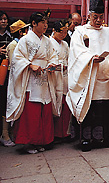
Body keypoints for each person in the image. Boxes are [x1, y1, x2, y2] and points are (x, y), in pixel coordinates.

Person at [66, 0, 109, 152]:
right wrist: (90, 58)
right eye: (95, 17)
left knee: (105, 109)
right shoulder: (80, 31)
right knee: (89, 110)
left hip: (106, 75)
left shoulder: (108, 32)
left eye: (101, 17)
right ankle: (86, 138)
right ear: (88, 16)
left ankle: (106, 137)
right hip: (89, 77)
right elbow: (77, 52)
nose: (98, 20)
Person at [6, 10, 60, 154]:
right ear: (34, 23)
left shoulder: (47, 40)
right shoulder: (25, 40)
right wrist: (30, 65)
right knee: (32, 111)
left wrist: (53, 64)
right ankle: (30, 143)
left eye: (46, 23)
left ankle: (42, 140)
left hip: (45, 76)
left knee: (44, 110)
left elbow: (53, 56)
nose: (45, 25)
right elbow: (17, 58)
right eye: (43, 22)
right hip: (30, 78)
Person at [50, 19, 71, 142]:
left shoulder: (65, 45)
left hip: (64, 76)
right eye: (61, 32)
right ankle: (55, 133)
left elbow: (69, 59)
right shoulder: (49, 42)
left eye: (65, 32)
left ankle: (65, 132)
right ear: (54, 31)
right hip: (54, 76)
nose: (63, 35)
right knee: (55, 103)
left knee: (65, 103)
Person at [0, 13, 16, 147]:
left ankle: (5, 132)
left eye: (5, 19)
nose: (4, 21)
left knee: (5, 101)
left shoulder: (11, 36)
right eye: (1, 19)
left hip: (6, 72)